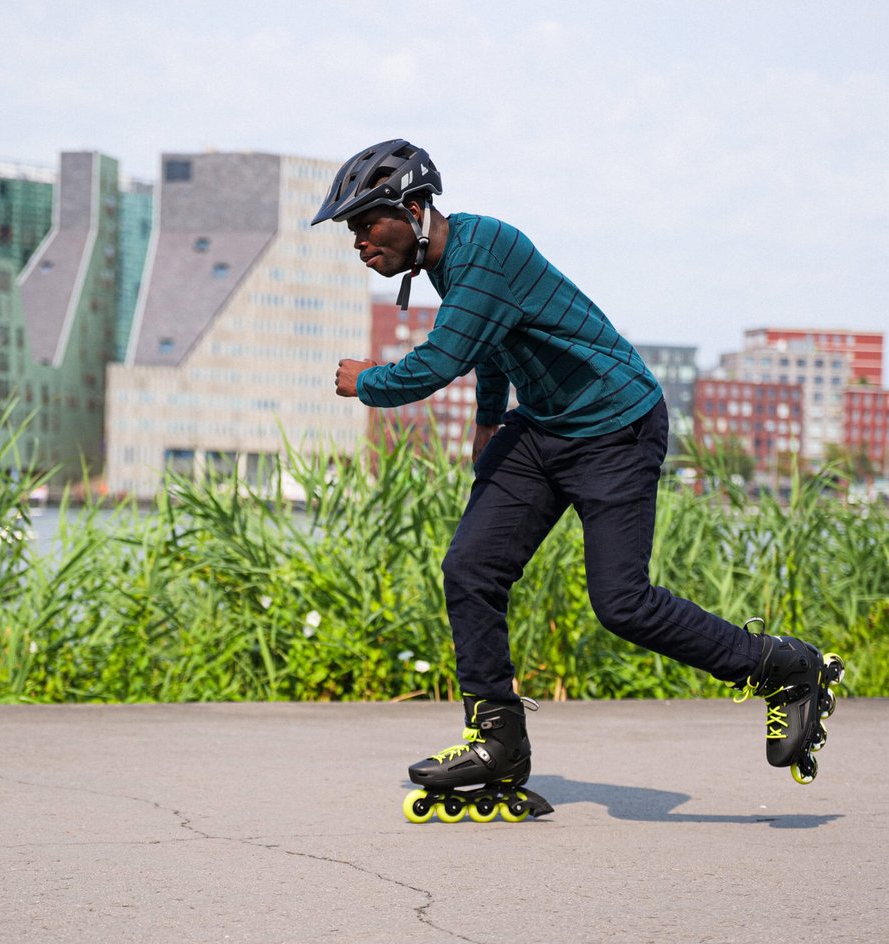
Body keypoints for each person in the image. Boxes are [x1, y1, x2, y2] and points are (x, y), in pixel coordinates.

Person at [312, 139, 842, 820]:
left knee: (622, 603)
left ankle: (783, 667)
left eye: (366, 223)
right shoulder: (452, 263)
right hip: (543, 425)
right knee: (470, 568)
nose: (358, 242)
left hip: (617, 426)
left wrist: (368, 382)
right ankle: (497, 740)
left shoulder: (485, 250)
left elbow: (440, 360)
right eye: (351, 231)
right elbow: (491, 345)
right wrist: (487, 419)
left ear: (414, 210)